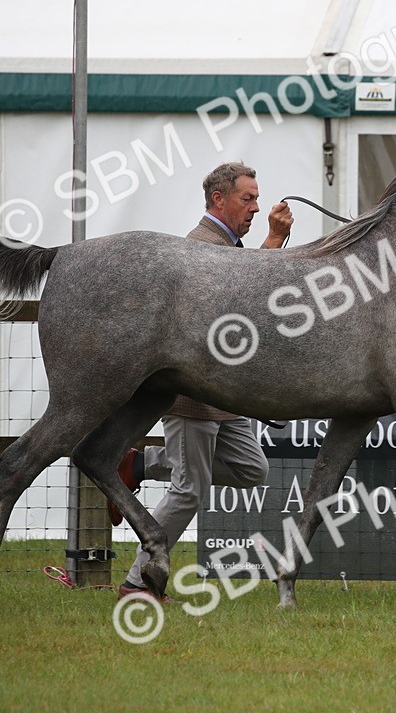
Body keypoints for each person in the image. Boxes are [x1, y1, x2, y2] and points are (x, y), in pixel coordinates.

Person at [113, 162, 293, 599]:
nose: (255, 207)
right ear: (219, 200)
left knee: (252, 469)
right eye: (247, 198)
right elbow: (245, 299)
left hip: (223, 396)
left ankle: (137, 465)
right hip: (193, 395)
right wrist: (272, 241)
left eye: (255, 198)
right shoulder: (201, 245)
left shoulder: (227, 244)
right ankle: (138, 583)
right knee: (189, 491)